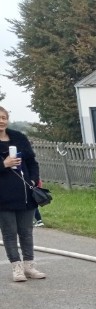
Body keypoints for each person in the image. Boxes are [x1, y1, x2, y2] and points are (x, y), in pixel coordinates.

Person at [0, 105, 46, 282]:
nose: (1, 121)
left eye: (4, 117)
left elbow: (32, 162)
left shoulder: (19, 137)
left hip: (26, 194)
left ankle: (29, 266)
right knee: (9, 233)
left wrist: (34, 180)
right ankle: (16, 268)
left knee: (26, 231)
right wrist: (4, 164)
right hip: (3, 197)